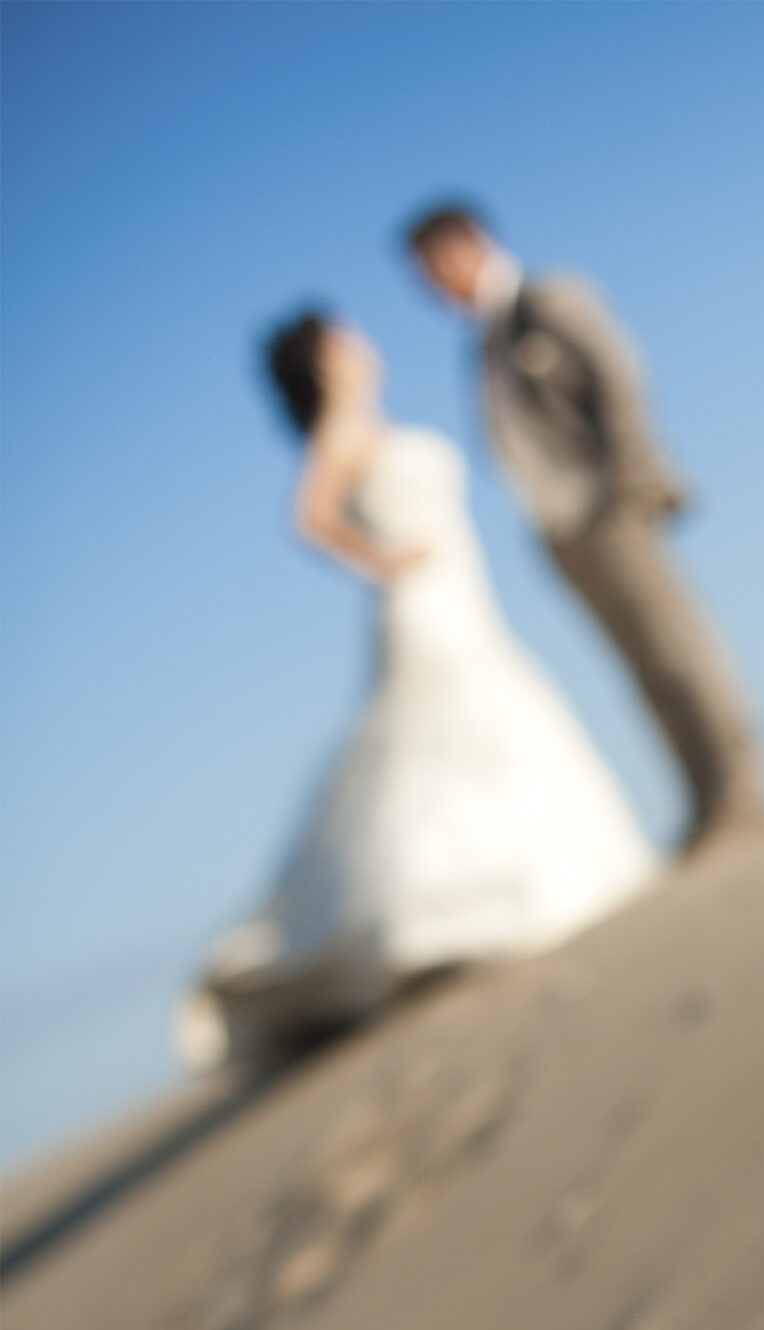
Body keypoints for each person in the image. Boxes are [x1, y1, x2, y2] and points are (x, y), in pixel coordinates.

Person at [176, 310, 662, 1071]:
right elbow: (308, 516)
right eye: (347, 338)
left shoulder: (376, 425)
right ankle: (435, 923)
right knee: (440, 733)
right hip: (418, 602)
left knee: (492, 721)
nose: (363, 344)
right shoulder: (341, 430)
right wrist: (380, 561)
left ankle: (512, 889)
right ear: (328, 361)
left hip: (462, 593)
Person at [405, 200, 764, 853]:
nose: (432, 290)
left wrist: (628, 485)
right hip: (560, 528)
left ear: (466, 246)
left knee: (679, 649)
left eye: (433, 271)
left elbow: (618, 376)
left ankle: (744, 793)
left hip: (608, 507)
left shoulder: (549, 299)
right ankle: (707, 799)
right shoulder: (484, 344)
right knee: (642, 667)